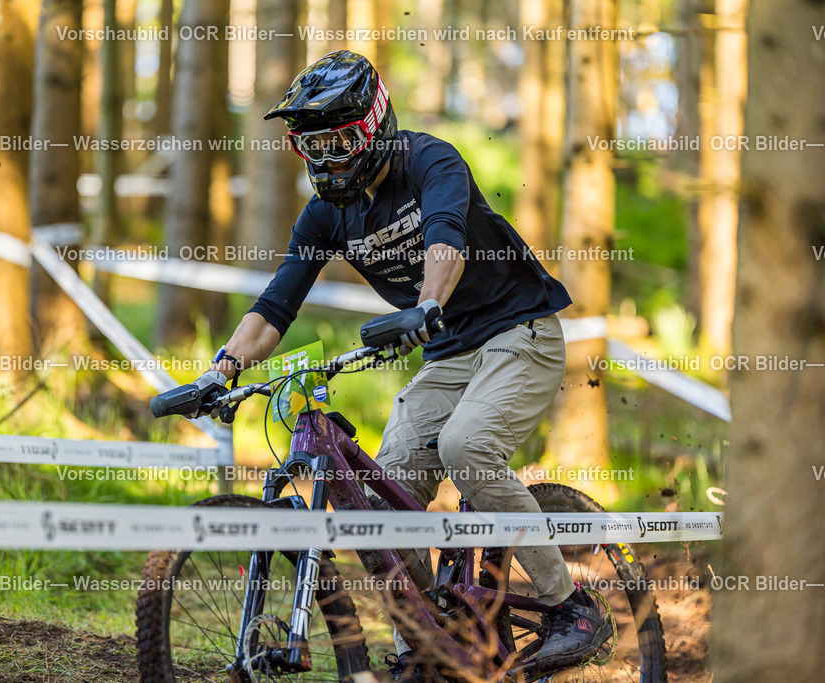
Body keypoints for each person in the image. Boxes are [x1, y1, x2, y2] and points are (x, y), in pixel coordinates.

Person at [185, 50, 611, 680]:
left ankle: (570, 607)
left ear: (373, 125)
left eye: (338, 141)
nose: (326, 159)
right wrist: (221, 369)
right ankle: (429, 642)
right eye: (312, 145)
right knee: (381, 502)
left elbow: (445, 237)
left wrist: (427, 304)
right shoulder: (326, 213)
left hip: (519, 330)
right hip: (448, 352)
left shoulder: (430, 161)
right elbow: (277, 304)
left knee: (469, 447)